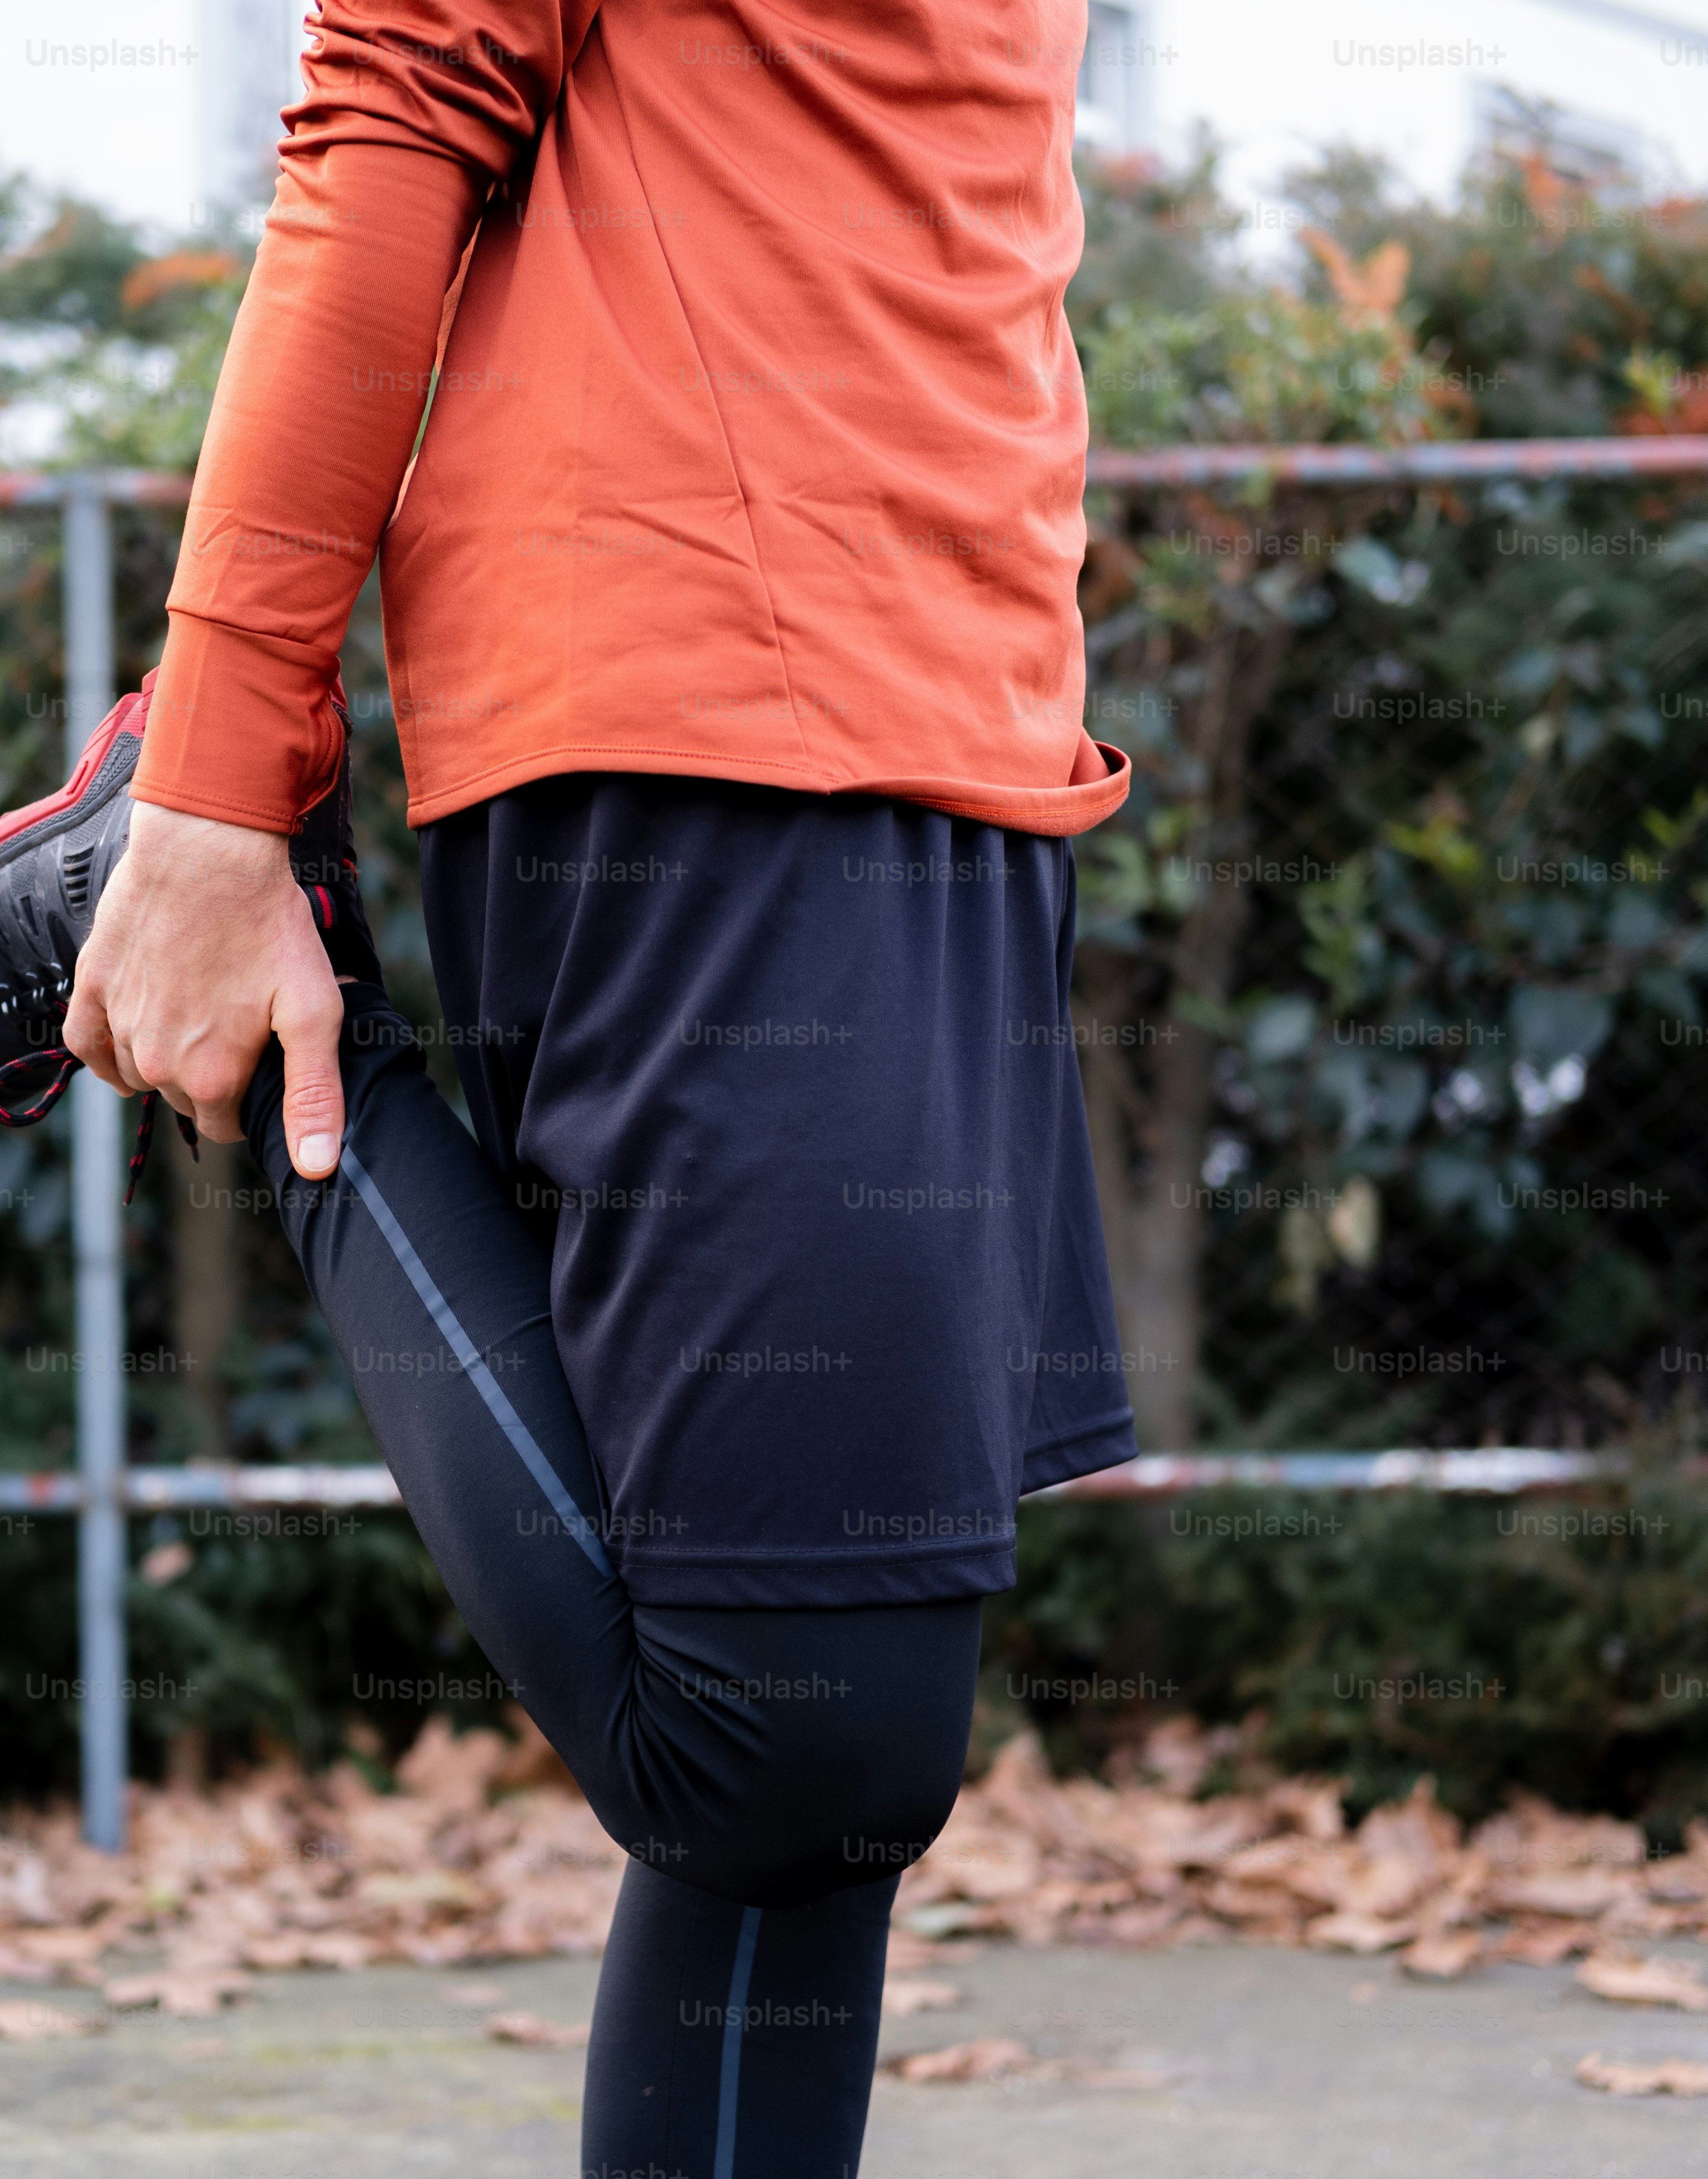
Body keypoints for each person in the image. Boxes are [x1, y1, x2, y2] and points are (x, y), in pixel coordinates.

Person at [64, 4, 1133, 2167]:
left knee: (807, 1822)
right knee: (792, 1740)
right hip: (706, 703)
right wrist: (221, 771)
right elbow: (392, 106)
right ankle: (264, 974)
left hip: (968, 709)